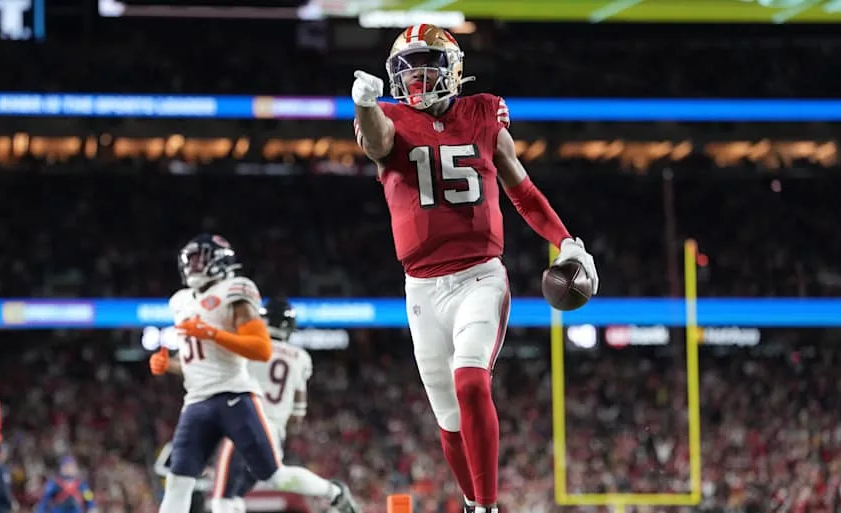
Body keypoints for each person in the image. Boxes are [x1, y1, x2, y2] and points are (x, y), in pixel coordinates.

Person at [351, 24, 598, 513]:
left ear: (452, 68)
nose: (416, 80)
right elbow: (379, 143)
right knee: (447, 416)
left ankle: (486, 507)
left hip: (479, 277)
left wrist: (566, 242)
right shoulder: (388, 119)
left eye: (426, 67)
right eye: (407, 70)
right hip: (421, 288)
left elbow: (522, 191)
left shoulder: (484, 112)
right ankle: (471, 502)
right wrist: (364, 105)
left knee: (470, 381)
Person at [150, 234, 359, 513]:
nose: (193, 266)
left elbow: (261, 349)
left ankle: (334, 493)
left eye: (200, 259)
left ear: (219, 261)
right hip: (197, 401)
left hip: (233, 397)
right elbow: (198, 361)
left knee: (273, 475)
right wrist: (169, 365)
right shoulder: (180, 301)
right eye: (191, 260)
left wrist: (212, 333)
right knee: (178, 482)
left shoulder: (235, 290)